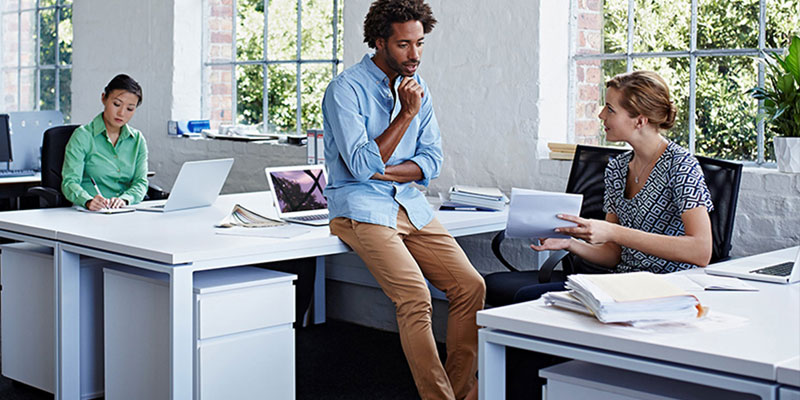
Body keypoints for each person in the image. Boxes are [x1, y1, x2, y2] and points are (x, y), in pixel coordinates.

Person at [321, 1, 483, 399]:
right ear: (379, 42)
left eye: (420, 44)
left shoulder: (420, 88)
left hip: (409, 204)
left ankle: (461, 392)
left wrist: (381, 169)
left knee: (470, 286)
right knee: (415, 296)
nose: (414, 55)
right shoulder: (345, 90)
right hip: (359, 208)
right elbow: (359, 167)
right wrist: (405, 116)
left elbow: (431, 161)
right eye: (403, 45)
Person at [533, 70, 714, 273]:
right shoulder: (617, 168)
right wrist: (569, 244)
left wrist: (614, 232)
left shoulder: (680, 165)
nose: (601, 115)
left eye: (610, 109)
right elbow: (612, 255)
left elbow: (701, 251)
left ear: (640, 120)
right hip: (622, 283)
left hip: (671, 286)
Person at [62, 74, 148, 211]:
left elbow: (141, 182)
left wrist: (125, 199)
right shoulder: (83, 136)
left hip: (125, 212)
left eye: (130, 109)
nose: (121, 113)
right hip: (90, 213)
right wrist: (88, 200)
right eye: (116, 104)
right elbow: (70, 182)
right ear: (104, 98)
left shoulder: (137, 140)